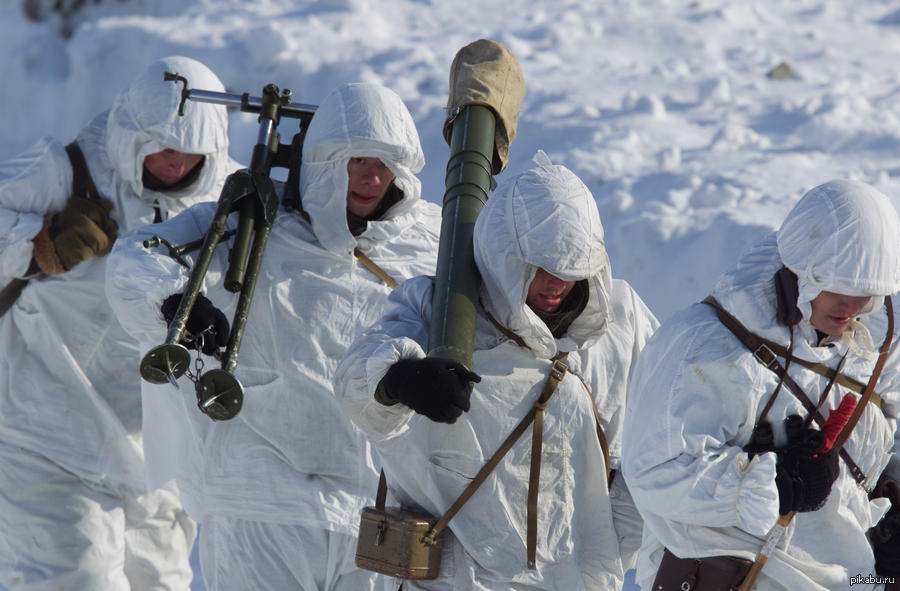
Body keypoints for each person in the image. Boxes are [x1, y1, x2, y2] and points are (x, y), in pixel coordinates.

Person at [105, 81, 442, 591]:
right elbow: (138, 256)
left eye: (385, 162)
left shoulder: (431, 240)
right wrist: (178, 303)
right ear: (326, 160)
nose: (373, 177)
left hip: (374, 507)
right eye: (357, 161)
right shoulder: (252, 222)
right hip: (257, 503)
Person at [334, 151, 659, 590]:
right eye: (540, 265)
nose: (556, 283)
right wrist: (399, 380)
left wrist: (612, 544)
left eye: (569, 269)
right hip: (457, 578)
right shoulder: (441, 307)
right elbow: (356, 374)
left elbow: (661, 426)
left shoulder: (620, 324)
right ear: (506, 250)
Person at [0, 55, 234, 590]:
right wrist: (36, 244)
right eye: (162, 148)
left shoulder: (227, 200)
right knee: (73, 580)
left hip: (159, 451)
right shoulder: (64, 173)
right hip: (45, 436)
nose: (175, 163)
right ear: (132, 137)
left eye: (191, 152)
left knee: (161, 582)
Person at [621, 179, 900, 590]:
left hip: (849, 577)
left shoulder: (868, 345)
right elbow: (653, 471)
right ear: (804, 269)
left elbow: (884, 441)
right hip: (736, 576)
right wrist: (772, 484)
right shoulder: (705, 343)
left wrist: (891, 504)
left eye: (868, 294)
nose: (855, 307)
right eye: (843, 287)